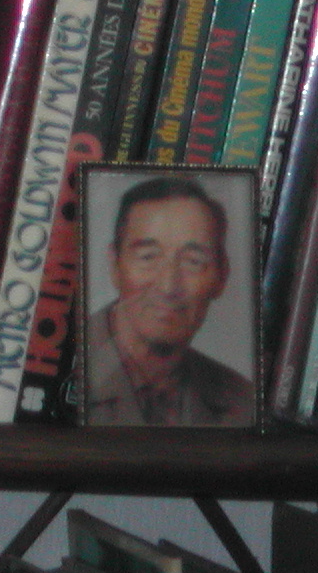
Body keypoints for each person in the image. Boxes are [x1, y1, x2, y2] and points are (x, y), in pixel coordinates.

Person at [84, 175, 254, 426]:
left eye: (193, 262)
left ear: (222, 276)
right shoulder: (64, 365)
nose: (168, 286)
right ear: (115, 265)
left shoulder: (245, 404)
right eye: (148, 257)